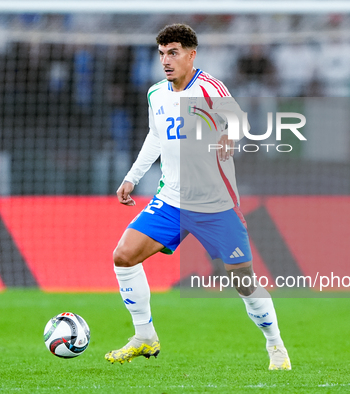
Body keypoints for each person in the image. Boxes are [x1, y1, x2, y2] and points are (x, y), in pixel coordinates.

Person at [104, 23, 291, 371]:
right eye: (161, 54)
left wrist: (230, 137)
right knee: (124, 256)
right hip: (172, 200)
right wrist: (132, 177)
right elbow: (155, 137)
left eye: (173, 53)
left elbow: (238, 119)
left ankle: (275, 345)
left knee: (243, 281)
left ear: (191, 55)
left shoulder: (209, 88)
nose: (166, 60)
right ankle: (144, 335)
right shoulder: (156, 94)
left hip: (214, 204)